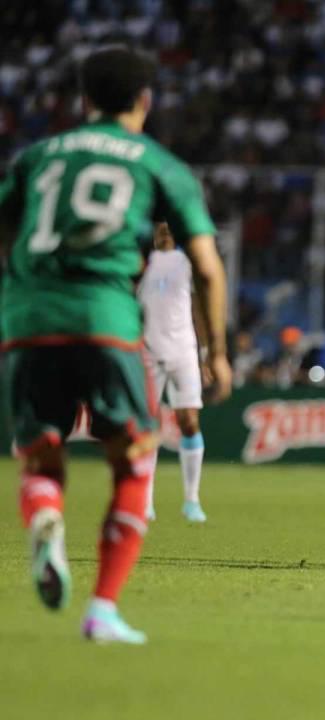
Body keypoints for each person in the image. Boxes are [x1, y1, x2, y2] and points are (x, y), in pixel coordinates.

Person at [0, 47, 232, 644]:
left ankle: (45, 514)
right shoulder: (160, 165)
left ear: (85, 101)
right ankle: (102, 608)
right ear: (144, 101)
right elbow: (208, 268)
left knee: (41, 454)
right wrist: (218, 352)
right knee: (133, 459)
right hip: (105, 319)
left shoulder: (38, 157)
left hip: (28, 319)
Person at [138, 222, 210, 523]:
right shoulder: (141, 262)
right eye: (160, 226)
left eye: (169, 227)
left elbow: (199, 308)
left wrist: (205, 354)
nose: (165, 231)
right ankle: (145, 502)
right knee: (147, 426)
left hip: (184, 350)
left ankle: (192, 500)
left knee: (189, 421)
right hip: (148, 351)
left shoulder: (188, 262)